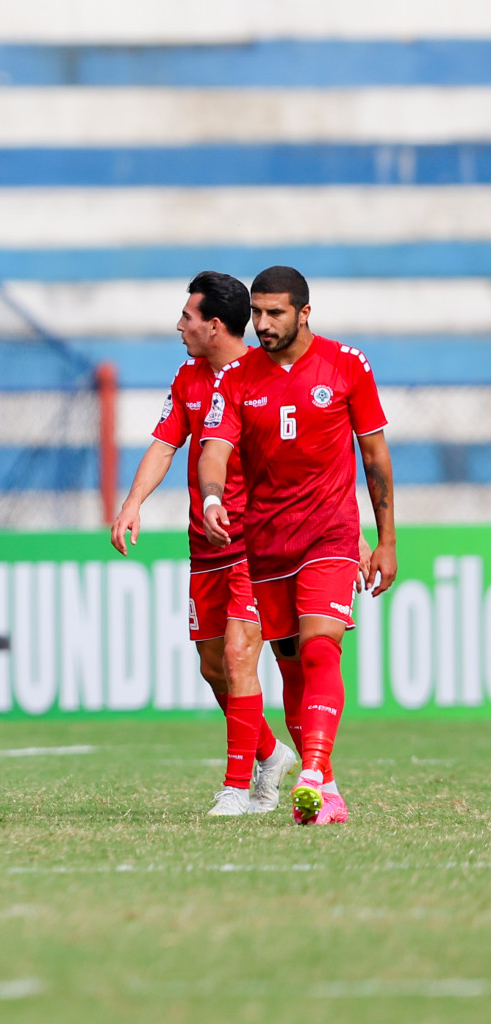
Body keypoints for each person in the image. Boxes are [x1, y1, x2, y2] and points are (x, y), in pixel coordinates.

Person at [199, 265, 396, 825]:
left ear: (304, 313)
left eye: (274, 313)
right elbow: (214, 449)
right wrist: (214, 496)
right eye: (257, 312)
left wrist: (386, 539)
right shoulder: (237, 378)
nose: (261, 324)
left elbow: (375, 457)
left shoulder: (346, 365)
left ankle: (310, 768)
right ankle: (326, 790)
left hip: (331, 532)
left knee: (319, 648)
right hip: (266, 541)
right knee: (290, 668)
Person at [112, 271, 298, 815]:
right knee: (213, 666)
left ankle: (238, 789)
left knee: (241, 657)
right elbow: (165, 445)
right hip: (206, 548)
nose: (179, 325)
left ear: (215, 325)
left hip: (255, 545)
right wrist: (132, 503)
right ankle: (268, 753)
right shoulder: (190, 377)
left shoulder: (265, 377)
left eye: (187, 317)